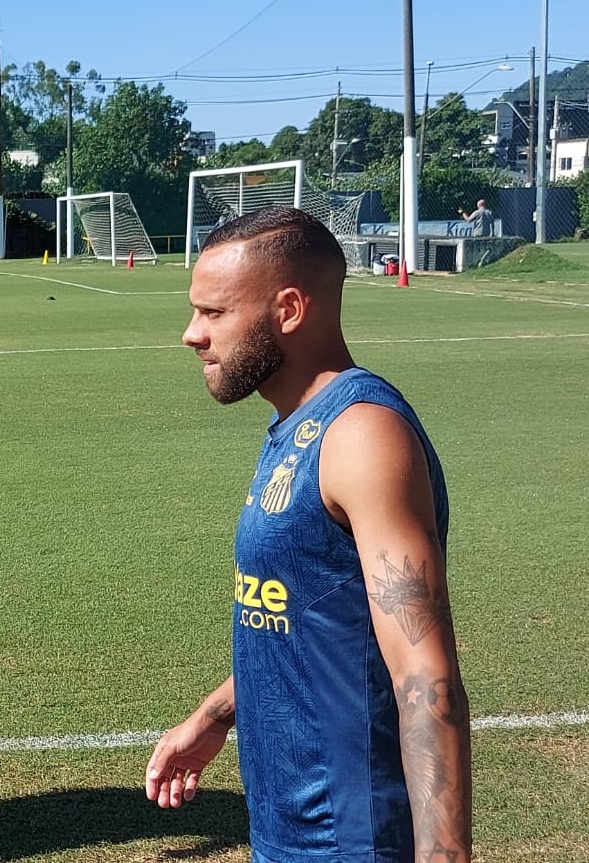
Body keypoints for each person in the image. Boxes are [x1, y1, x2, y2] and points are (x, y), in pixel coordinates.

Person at [147, 206, 470, 862]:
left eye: (213, 313)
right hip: (287, 828)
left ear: (289, 308)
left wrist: (444, 853)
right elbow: (313, 620)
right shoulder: (296, 425)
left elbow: (422, 669)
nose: (191, 334)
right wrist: (213, 718)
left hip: (349, 837)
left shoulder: (361, 436)